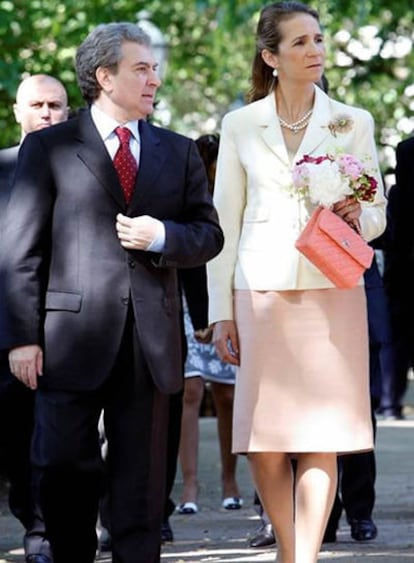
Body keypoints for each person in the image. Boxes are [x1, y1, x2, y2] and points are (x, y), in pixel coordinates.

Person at [1, 22, 223, 563]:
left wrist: (163, 236)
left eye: (154, 68)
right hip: (66, 341)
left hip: (151, 344)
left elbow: (209, 234)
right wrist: (21, 339)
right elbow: (20, 250)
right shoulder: (51, 147)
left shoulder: (178, 151)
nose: (155, 79)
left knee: (142, 486)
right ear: (104, 76)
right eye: (141, 68)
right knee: (62, 469)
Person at [207, 3, 386, 562]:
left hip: (333, 290)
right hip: (258, 292)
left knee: (321, 435)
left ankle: (302, 557)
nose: (316, 52)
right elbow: (223, 222)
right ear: (271, 56)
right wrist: (220, 312)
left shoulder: (352, 121)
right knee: (262, 442)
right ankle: (288, 548)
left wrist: (360, 216)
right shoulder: (239, 125)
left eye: (319, 40)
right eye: (301, 43)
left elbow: (377, 211)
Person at [0, 73, 69, 563]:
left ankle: (44, 535)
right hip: (3, 329)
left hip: (67, 326)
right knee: (12, 440)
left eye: (57, 106)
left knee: (60, 441)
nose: (47, 113)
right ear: (19, 111)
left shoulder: (81, 166)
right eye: (38, 105)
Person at [176, 134, 242, 514]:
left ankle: (230, 481)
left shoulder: (237, 194)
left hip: (231, 298)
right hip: (192, 301)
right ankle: (189, 488)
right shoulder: (188, 195)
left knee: (228, 394)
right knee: (189, 391)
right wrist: (202, 315)